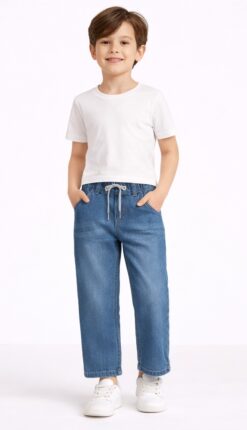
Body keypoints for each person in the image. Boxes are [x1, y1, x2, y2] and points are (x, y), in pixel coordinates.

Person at [65, 6, 179, 417]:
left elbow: (170, 150)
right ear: (93, 50)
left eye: (124, 42)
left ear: (139, 51)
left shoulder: (152, 99)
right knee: (96, 295)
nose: (115, 49)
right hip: (93, 205)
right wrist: (73, 191)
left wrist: (159, 194)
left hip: (141, 204)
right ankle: (106, 380)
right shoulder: (84, 102)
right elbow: (78, 153)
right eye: (106, 41)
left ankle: (151, 374)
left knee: (151, 293)